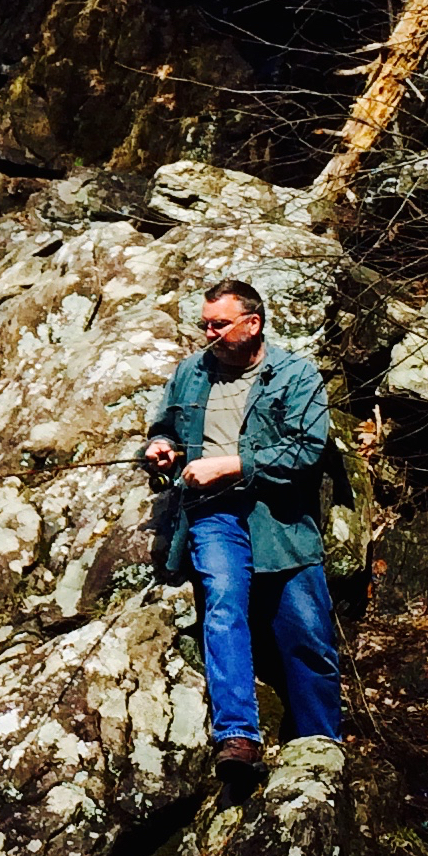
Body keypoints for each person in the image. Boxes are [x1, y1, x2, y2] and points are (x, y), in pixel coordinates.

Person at [142, 277, 341, 784]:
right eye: (204, 324)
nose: (209, 334)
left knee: (306, 634)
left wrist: (231, 464)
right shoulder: (191, 373)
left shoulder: (295, 375)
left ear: (252, 324)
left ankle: (322, 749)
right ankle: (239, 738)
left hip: (281, 519)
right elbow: (164, 425)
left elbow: (306, 452)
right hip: (212, 515)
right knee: (224, 607)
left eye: (219, 325)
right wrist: (161, 447)